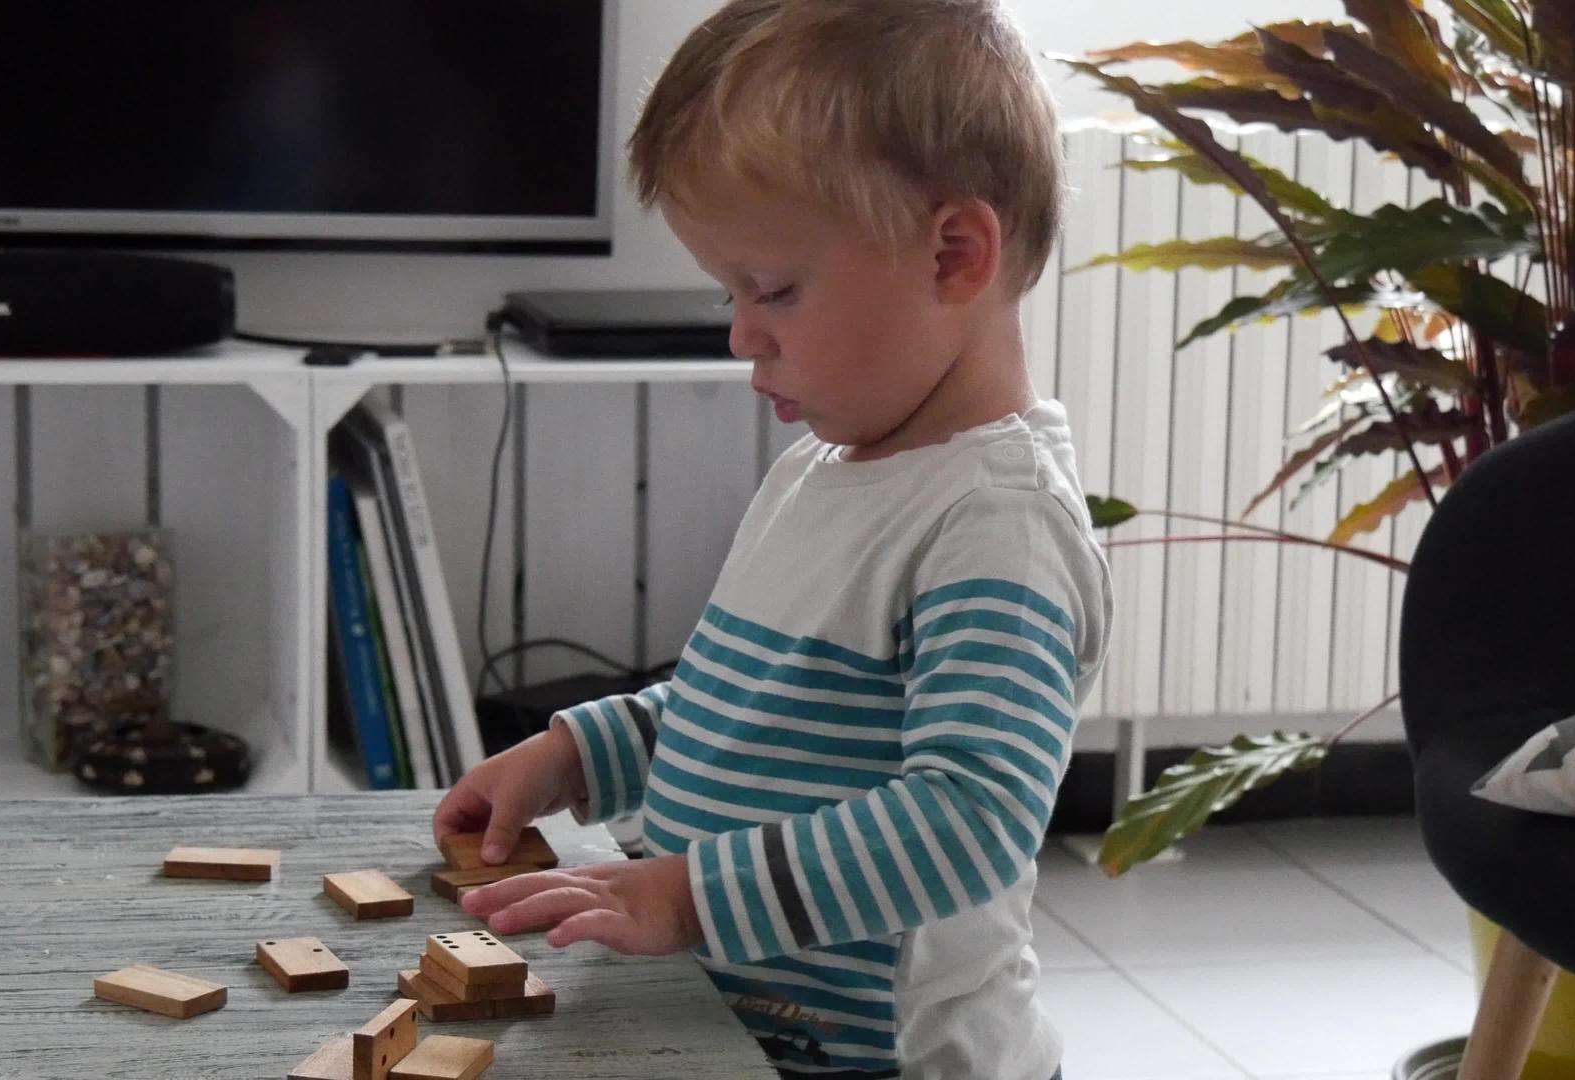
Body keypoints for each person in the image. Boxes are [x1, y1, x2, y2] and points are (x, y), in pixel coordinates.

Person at [434, 2, 1110, 1076]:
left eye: (774, 289)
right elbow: (753, 707)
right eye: (730, 291)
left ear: (954, 255)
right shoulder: (826, 466)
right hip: (746, 1032)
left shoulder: (997, 524)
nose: (742, 330)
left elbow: (972, 819)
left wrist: (686, 897)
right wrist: (579, 756)